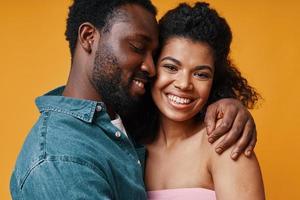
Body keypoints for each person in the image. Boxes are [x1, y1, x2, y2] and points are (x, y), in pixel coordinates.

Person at [10, 0, 258, 199]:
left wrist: (231, 105)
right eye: (170, 66)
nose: (148, 68)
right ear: (88, 37)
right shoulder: (62, 158)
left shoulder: (123, 137)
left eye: (201, 73)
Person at [141, 2, 265, 200]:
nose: (184, 84)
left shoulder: (224, 145)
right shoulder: (130, 146)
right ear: (151, 66)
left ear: (215, 80)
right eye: (171, 67)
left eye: (201, 74)